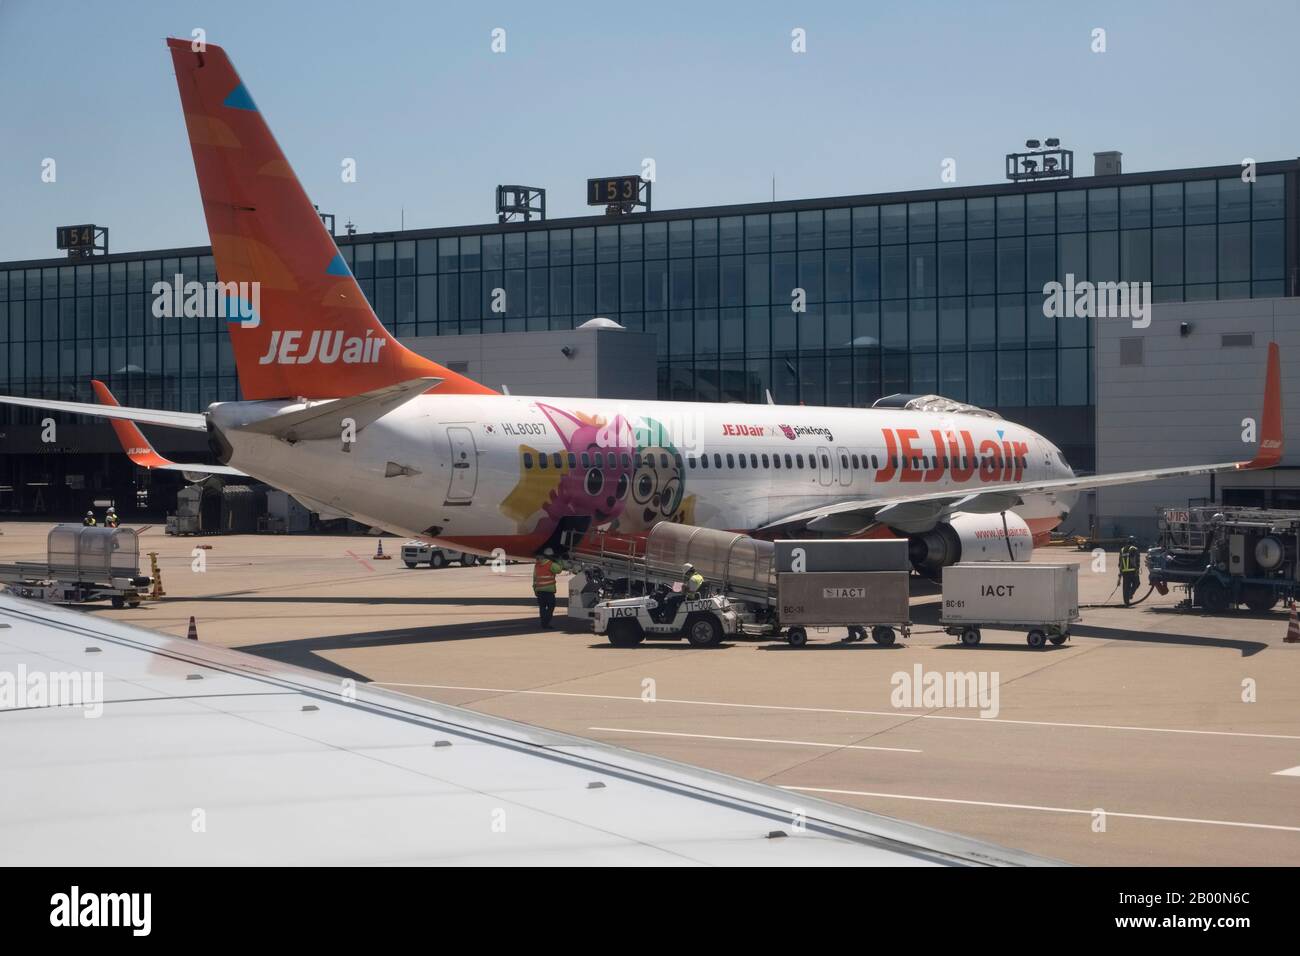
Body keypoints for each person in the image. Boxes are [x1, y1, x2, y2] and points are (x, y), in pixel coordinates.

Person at [532, 550, 563, 629]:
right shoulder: (550, 564)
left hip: (539, 591)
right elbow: (559, 570)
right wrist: (560, 560)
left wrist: (535, 590)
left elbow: (535, 579)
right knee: (551, 607)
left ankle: (544, 623)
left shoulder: (537, 565)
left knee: (542, 608)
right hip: (549, 591)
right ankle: (546, 622)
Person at [1118, 536, 1142, 606]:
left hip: (1125, 572)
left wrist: (1120, 574)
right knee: (1137, 583)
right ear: (1133, 542)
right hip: (1133, 571)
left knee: (1126, 588)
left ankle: (1126, 602)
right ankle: (1130, 594)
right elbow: (1137, 561)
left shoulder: (1122, 550)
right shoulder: (1134, 549)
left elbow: (1120, 563)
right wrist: (1137, 569)